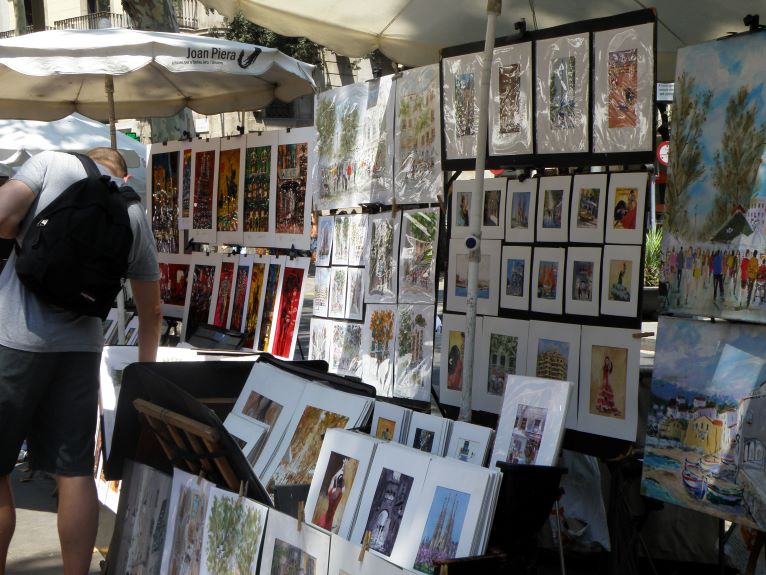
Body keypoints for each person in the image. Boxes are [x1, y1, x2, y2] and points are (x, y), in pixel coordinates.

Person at [0, 148, 161, 575]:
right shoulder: (134, 216)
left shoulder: (51, 163)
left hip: (12, 341)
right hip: (80, 352)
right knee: (73, 473)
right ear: (124, 177)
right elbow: (153, 313)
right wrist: (144, 374)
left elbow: (2, 215)